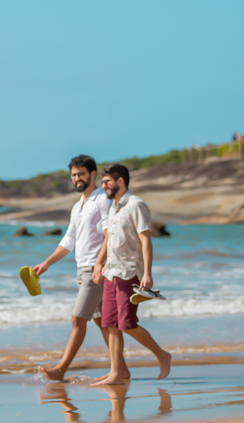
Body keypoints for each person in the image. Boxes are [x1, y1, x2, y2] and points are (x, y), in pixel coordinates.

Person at [31, 155, 113, 382]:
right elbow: (69, 240)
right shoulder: (78, 206)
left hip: (95, 271)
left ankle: (60, 369)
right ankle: (121, 369)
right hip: (83, 269)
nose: (77, 179)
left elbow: (110, 234)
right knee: (101, 322)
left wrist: (100, 264)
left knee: (78, 319)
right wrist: (47, 262)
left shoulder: (102, 200)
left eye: (81, 174)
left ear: (92, 174)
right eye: (74, 175)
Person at [92, 162, 173, 385]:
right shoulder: (113, 207)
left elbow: (146, 240)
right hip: (111, 273)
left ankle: (162, 355)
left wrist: (147, 273)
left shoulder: (136, 205)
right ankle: (116, 373)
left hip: (130, 273)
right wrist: (100, 265)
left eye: (107, 181)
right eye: (102, 182)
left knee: (126, 323)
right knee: (109, 323)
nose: (104, 186)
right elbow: (109, 240)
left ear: (121, 182)